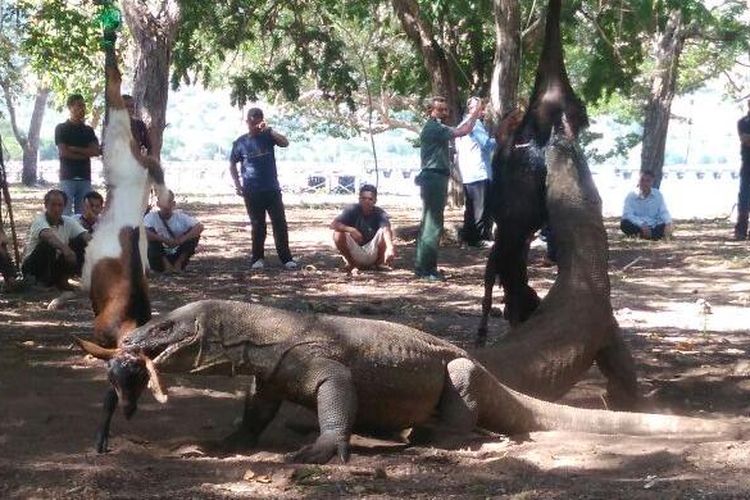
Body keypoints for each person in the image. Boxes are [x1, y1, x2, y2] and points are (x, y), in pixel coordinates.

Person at [414, 96, 482, 280]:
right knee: (433, 224)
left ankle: (424, 266)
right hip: (434, 176)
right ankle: (426, 270)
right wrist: (475, 114)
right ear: (430, 111)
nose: (444, 113)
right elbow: (464, 130)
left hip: (435, 177)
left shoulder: (437, 127)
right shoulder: (435, 128)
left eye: (446, 110)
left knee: (429, 222)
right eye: (440, 110)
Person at [229, 107, 297, 270]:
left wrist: (269, 130)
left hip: (272, 188)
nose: (254, 125)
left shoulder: (268, 136)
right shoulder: (240, 142)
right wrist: (238, 185)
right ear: (247, 122)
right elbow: (232, 164)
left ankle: (286, 258)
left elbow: (285, 143)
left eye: (257, 122)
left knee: (279, 223)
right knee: (258, 225)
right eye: (251, 122)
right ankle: (257, 258)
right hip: (251, 190)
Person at [21, 189, 91, 289]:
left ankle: (63, 279)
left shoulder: (68, 221)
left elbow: (86, 236)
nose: (56, 209)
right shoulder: (39, 220)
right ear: (46, 205)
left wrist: (98, 249)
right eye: (53, 205)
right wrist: (65, 249)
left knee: (81, 243)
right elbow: (48, 236)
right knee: (48, 245)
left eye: (60, 205)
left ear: (64, 206)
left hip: (54, 264)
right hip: (33, 266)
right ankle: (38, 282)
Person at [455, 97, 495, 248]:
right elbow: (486, 144)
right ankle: (479, 239)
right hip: (479, 171)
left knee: (471, 208)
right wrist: (502, 138)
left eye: (482, 108)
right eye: (479, 108)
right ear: (471, 109)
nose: (482, 112)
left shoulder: (462, 124)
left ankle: (467, 239)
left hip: (467, 173)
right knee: (481, 208)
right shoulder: (475, 124)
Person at [331, 184, 396, 272]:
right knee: (337, 233)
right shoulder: (352, 210)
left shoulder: (379, 213)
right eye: (364, 198)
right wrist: (351, 230)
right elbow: (333, 224)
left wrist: (390, 248)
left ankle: (380, 263)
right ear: (359, 199)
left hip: (372, 250)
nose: (366, 201)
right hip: (355, 251)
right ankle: (352, 264)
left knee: (386, 231)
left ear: (375, 201)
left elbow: (386, 229)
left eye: (370, 199)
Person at [55, 94, 100, 215]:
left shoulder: (88, 130)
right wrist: (86, 154)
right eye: (79, 106)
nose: (83, 109)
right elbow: (63, 153)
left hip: (85, 177)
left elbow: (96, 151)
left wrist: (75, 149)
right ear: (70, 107)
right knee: (66, 213)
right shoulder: (61, 128)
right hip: (67, 177)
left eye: (84, 106)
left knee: (84, 214)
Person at [144, 190, 204, 273]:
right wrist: (164, 240)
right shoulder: (151, 217)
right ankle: (166, 265)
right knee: (149, 236)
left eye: (168, 202)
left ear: (173, 204)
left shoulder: (180, 217)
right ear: (158, 204)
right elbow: (143, 232)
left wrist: (181, 240)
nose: (166, 205)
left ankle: (178, 264)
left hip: (178, 254)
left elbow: (199, 227)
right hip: (157, 258)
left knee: (193, 235)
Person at [620, 170, 673, 240]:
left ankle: (646, 235)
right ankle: (651, 235)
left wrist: (668, 223)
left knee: (665, 224)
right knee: (624, 224)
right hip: (638, 225)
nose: (644, 183)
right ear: (638, 181)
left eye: (648, 181)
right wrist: (642, 224)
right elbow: (627, 214)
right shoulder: (631, 196)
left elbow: (663, 211)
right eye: (642, 180)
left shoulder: (657, 194)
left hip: (653, 225)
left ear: (652, 182)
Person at [734, 99, 750, 240]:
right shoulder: (743, 122)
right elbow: (745, 139)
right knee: (744, 197)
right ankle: (741, 231)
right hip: (747, 165)